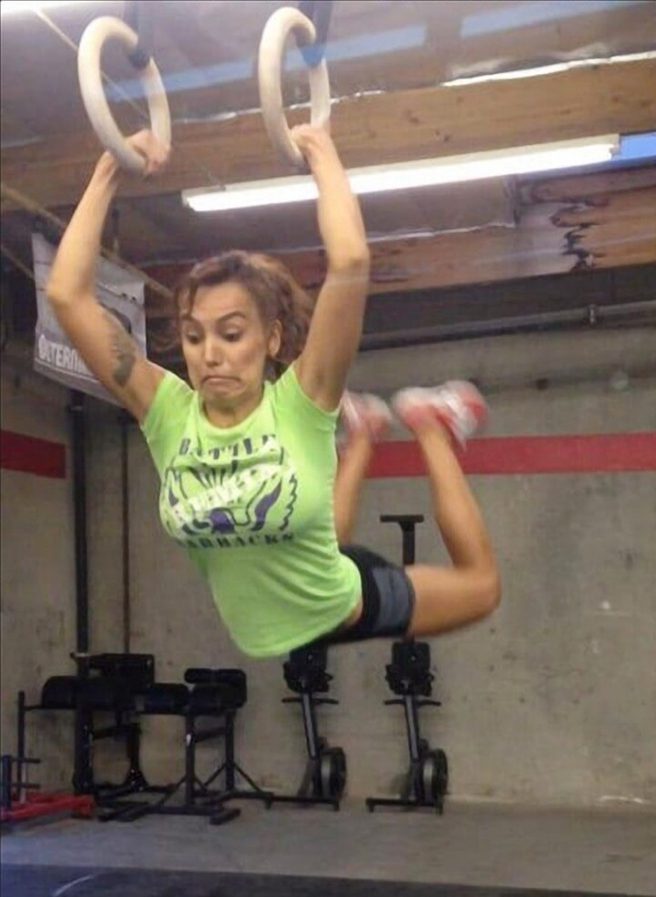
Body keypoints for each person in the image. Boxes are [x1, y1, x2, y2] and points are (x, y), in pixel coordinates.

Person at [46, 126, 501, 659]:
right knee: (318, 525)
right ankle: (363, 436)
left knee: (483, 588)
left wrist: (321, 152)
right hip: (301, 583)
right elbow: (67, 295)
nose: (210, 353)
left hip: (348, 604)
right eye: (193, 336)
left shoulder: (301, 401)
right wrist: (109, 168)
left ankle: (430, 427)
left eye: (231, 334)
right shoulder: (165, 410)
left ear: (272, 339)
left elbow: (351, 263)